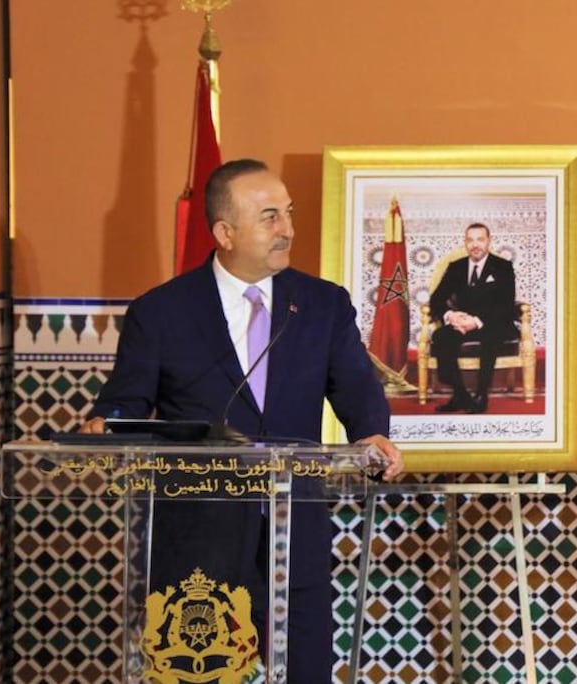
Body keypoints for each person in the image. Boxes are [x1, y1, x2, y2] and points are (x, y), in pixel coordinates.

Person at [80, 158, 404, 681]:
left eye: (289, 214)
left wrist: (372, 432)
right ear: (225, 232)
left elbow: (356, 389)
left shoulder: (321, 305)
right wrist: (107, 421)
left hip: (292, 530)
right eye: (270, 217)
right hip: (197, 537)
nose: (288, 230)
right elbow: (126, 403)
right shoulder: (161, 312)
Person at [428, 222, 518, 414]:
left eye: (480, 239)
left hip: (494, 323)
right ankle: (460, 394)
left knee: (490, 336)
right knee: (441, 337)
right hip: (462, 323)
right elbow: (436, 299)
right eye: (470, 240)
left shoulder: (503, 267)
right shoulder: (456, 267)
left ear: (488, 241)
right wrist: (451, 315)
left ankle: (481, 394)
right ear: (465, 243)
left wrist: (475, 322)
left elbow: (505, 305)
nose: (475, 244)